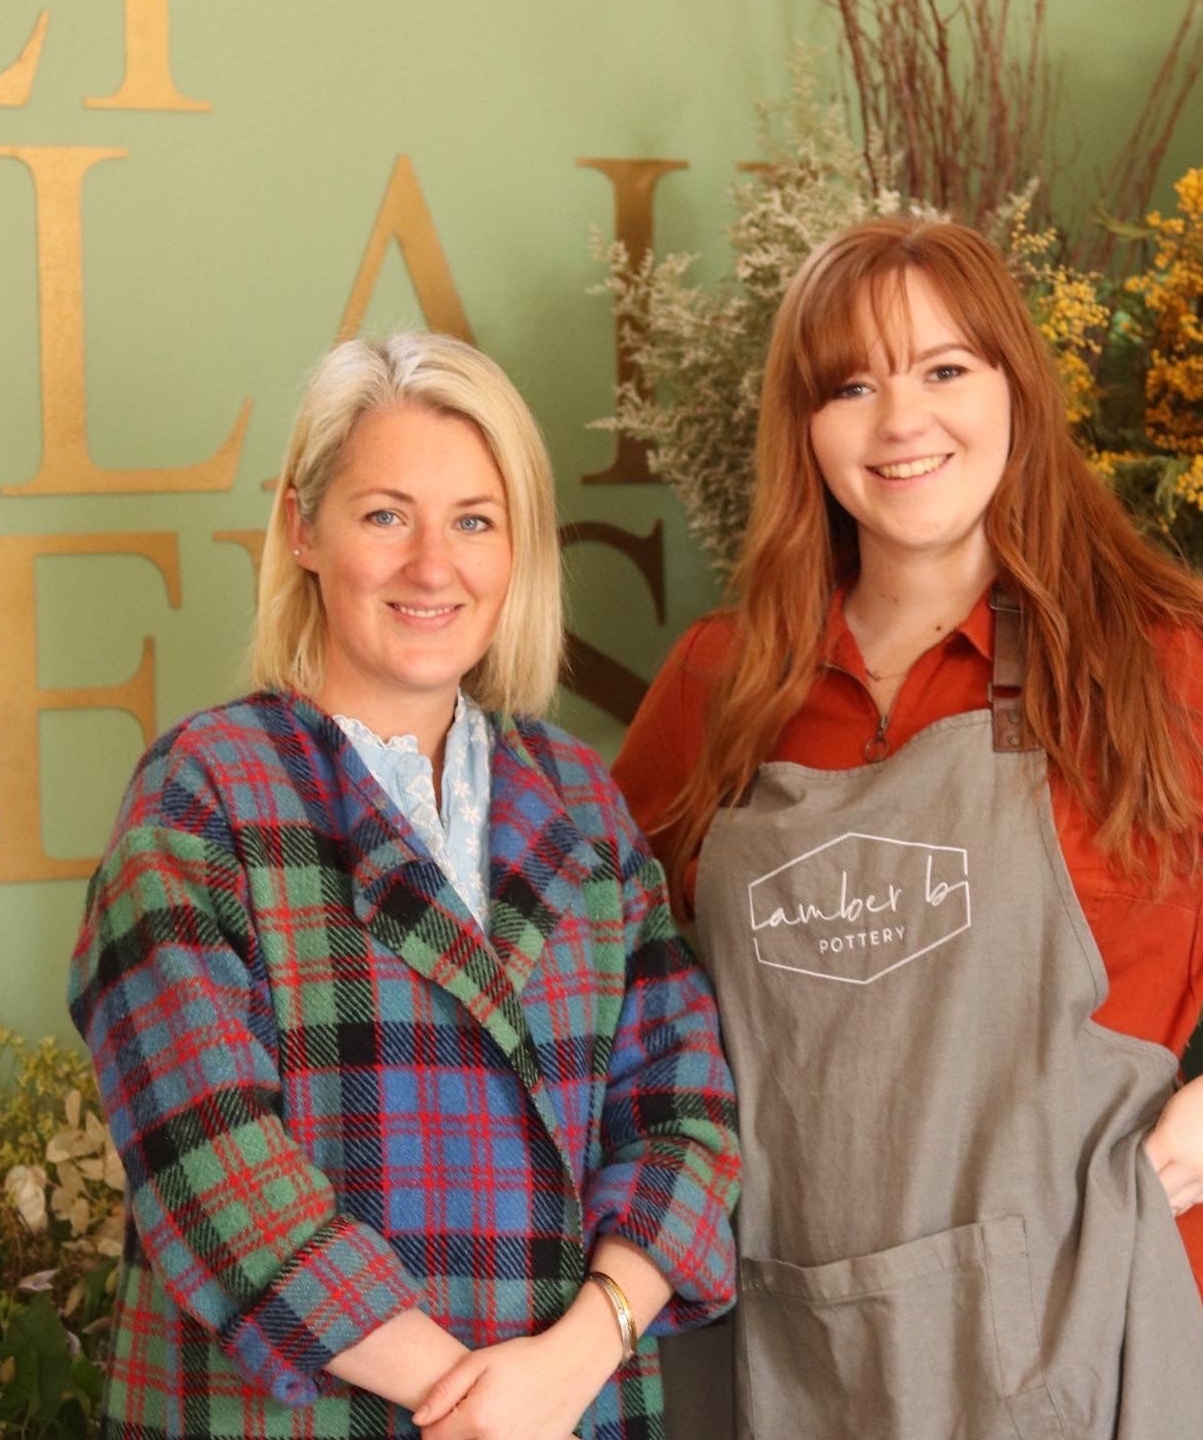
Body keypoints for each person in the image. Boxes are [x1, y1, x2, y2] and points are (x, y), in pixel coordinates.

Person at [612, 218, 1203, 1440]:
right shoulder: (722, 686)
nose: (900, 420)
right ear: (804, 430)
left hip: (1094, 1339)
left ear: (1018, 387)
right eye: (851, 385)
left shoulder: (1164, 661)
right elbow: (598, 991)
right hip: (784, 1349)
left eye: (944, 369)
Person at [68, 332, 741, 1440]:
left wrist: (570, 1364)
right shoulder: (203, 795)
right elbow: (208, 1153)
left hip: (568, 1406)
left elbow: (686, 1113)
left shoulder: (577, 797)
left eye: (474, 520)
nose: (435, 565)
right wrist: (468, 1401)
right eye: (387, 515)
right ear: (304, 530)